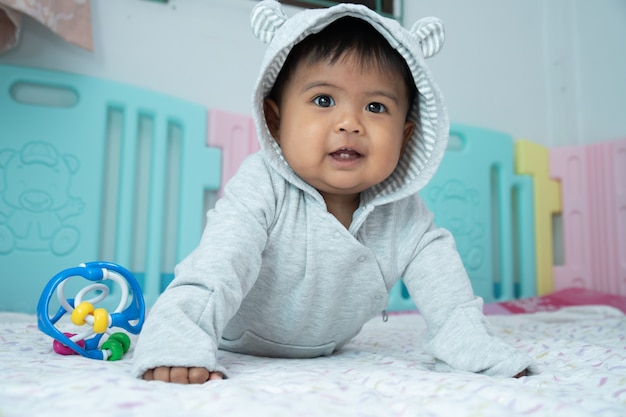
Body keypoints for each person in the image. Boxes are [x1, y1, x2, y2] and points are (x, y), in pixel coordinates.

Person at [132, 0, 536, 384]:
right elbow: (217, 268)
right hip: (236, 337)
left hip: (328, 348)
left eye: (376, 107)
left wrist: (478, 352)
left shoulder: (401, 212)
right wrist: (177, 342)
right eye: (323, 100)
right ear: (275, 121)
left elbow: (448, 298)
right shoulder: (263, 187)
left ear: (405, 136)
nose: (350, 123)